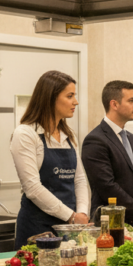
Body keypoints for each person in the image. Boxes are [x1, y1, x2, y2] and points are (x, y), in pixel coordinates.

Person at [10, 71, 90, 248]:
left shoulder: (68, 135)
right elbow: (32, 188)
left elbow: (80, 180)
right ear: (50, 98)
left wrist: (82, 214)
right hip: (38, 228)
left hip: (70, 228)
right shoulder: (26, 134)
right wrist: (71, 216)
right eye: (70, 96)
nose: (75, 102)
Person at [81, 80, 133, 228]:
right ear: (114, 104)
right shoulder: (95, 140)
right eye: (131, 100)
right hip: (112, 225)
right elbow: (107, 186)